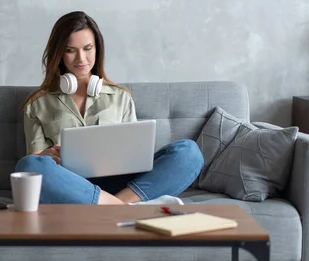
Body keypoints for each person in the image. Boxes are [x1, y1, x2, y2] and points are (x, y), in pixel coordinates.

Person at [14, 11, 204, 204]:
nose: (81, 58)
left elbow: (134, 155)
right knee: (27, 166)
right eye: (70, 50)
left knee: (189, 152)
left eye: (88, 48)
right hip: (70, 185)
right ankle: (121, 206)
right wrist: (46, 155)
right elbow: (36, 161)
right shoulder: (37, 103)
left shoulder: (121, 96)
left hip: (121, 183)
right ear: (59, 53)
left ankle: (115, 204)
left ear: (97, 49)